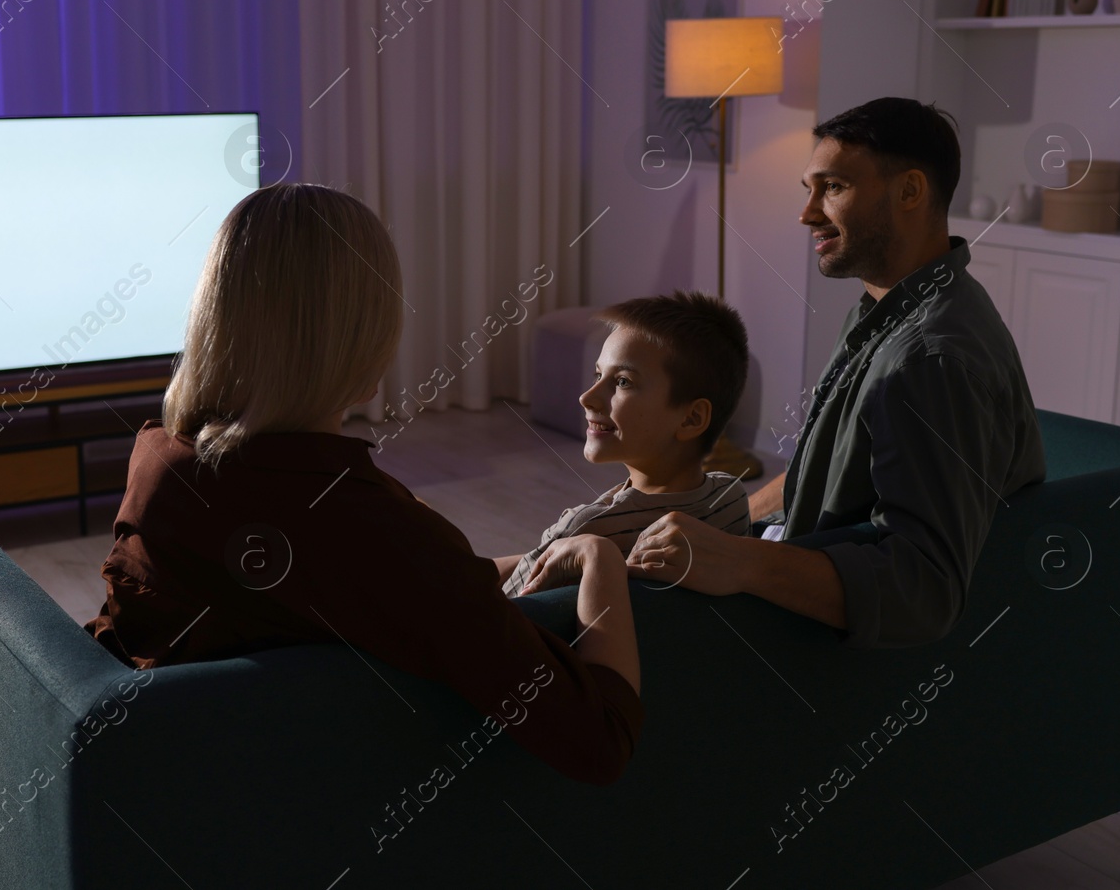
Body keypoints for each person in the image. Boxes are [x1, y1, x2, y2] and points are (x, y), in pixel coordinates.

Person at [83, 183, 642, 784]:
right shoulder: (365, 526)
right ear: (362, 335)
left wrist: (525, 560)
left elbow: (385, 589)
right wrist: (603, 559)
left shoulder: (163, 464)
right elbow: (597, 739)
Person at [621, 97, 1046, 647]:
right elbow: (821, 476)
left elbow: (922, 591)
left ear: (910, 191)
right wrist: (724, 518)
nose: (807, 212)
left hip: (800, 642)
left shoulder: (929, 361)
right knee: (588, 541)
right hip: (787, 556)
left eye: (834, 188)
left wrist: (740, 561)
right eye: (809, 189)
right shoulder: (888, 309)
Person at [498, 292, 751, 597]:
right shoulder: (731, 499)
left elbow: (505, 609)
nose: (587, 397)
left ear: (691, 419)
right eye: (598, 374)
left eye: (622, 382)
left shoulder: (586, 531)